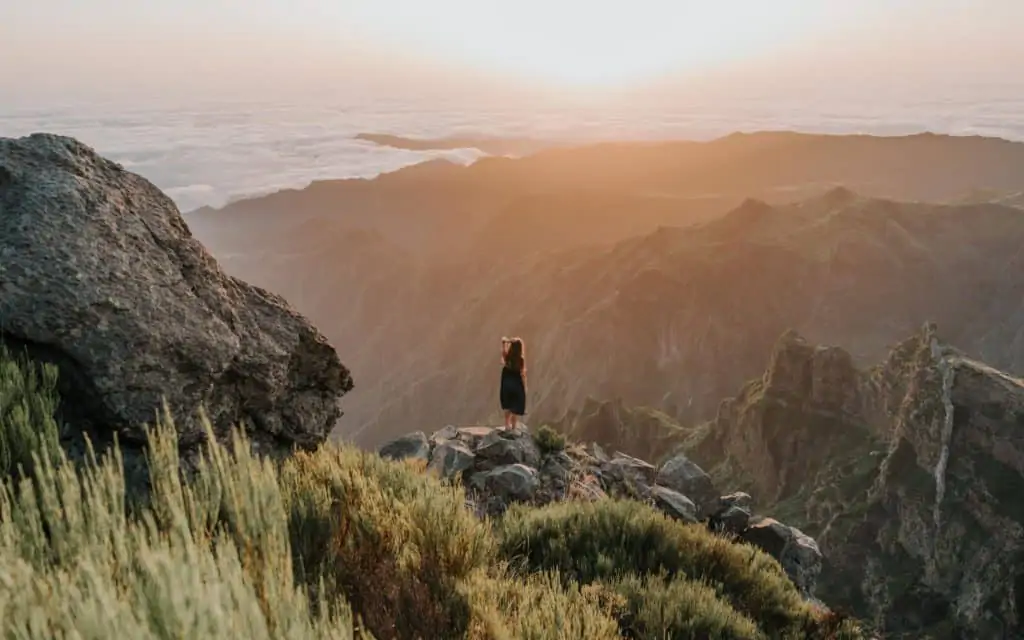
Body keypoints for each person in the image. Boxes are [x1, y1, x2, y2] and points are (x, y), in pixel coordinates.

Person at [499, 337, 527, 429]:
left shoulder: (508, 357)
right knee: (515, 406)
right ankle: (514, 426)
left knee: (508, 404)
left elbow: (503, 352)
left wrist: (504, 343)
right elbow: (523, 374)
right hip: (516, 385)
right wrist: (524, 386)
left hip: (507, 384)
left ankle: (507, 424)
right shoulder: (520, 360)